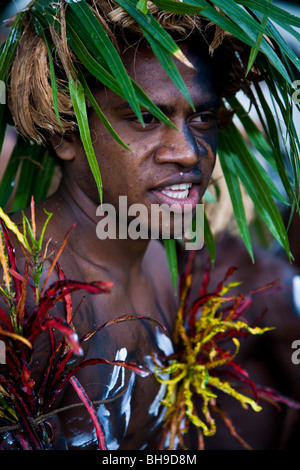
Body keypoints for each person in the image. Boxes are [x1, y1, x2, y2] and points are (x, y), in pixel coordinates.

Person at [1, 1, 299, 450]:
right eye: (145, 118)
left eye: (200, 117)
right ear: (66, 132)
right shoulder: (18, 288)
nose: (188, 151)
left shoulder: (174, 259)